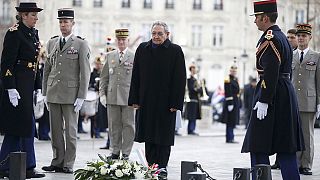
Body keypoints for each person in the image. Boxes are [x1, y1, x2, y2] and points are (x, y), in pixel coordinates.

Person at [241, 1, 305, 180]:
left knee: (258, 145)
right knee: (285, 147)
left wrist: (264, 100)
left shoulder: (270, 38)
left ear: (265, 18)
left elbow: (270, 72)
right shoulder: (281, 36)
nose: (255, 22)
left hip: (272, 93)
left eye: (256, 18)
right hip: (284, 92)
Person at [128, 21, 186, 179]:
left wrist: (176, 103)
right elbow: (136, 75)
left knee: (163, 137)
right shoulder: (142, 49)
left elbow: (180, 79)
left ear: (167, 35)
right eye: (154, 33)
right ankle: (151, 166)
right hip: (146, 100)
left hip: (166, 103)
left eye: (160, 34)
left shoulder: (175, 51)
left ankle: (162, 166)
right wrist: (134, 99)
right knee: (148, 135)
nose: (156, 36)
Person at [41, 8, 91, 174]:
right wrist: (44, 92)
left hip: (71, 95)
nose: (63, 25)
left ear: (73, 23)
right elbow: (47, 69)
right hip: (53, 92)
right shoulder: (52, 43)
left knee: (70, 132)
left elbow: (85, 72)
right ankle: (57, 161)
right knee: (55, 131)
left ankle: (68, 163)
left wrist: (82, 96)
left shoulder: (80, 44)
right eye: (61, 22)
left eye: (66, 22)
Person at [0, 2, 45, 178]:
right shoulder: (14, 34)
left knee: (27, 125)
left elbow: (35, 64)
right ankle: (6, 164)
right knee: (18, 126)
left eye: (36, 15)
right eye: (33, 15)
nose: (36, 18)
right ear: (23, 15)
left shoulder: (33, 34)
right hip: (17, 85)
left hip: (28, 85)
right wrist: (10, 87)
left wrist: (37, 87)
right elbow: (6, 63)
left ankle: (27, 166)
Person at [99, 28, 135, 160]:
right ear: (116, 41)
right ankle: (115, 151)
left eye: (123, 40)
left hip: (128, 97)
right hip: (112, 96)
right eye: (119, 40)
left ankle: (126, 152)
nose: (121, 42)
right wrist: (102, 94)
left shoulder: (134, 56)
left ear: (128, 41)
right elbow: (104, 78)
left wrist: (137, 98)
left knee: (128, 126)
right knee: (114, 125)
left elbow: (138, 79)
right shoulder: (110, 56)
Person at [292, 24, 320, 176]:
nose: (301, 38)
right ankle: (295, 162)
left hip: (309, 101)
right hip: (293, 102)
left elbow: (319, 81)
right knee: (294, 134)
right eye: (299, 36)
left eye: (304, 36)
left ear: (310, 37)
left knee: (307, 135)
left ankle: (306, 164)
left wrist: (319, 103)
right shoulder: (291, 55)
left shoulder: (316, 56)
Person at [271, 27, 298, 170]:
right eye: (288, 37)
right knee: (282, 129)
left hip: (294, 95)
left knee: (294, 133)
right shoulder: (284, 50)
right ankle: (279, 160)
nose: (289, 40)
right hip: (286, 94)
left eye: (292, 37)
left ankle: (301, 163)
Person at [222, 63, 240, 143]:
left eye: (235, 71)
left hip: (235, 101)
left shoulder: (235, 79)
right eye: (232, 70)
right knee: (230, 121)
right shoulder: (227, 79)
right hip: (231, 102)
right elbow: (227, 91)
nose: (234, 72)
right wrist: (230, 103)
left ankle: (231, 137)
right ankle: (229, 137)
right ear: (230, 71)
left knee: (232, 121)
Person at [185, 65, 201, 135]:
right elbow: (191, 89)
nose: (194, 71)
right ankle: (190, 130)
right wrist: (197, 90)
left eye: (195, 69)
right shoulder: (189, 79)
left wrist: (199, 89)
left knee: (194, 116)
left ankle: (192, 129)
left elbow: (199, 89)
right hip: (191, 99)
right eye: (193, 69)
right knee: (191, 116)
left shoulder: (196, 79)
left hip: (196, 99)